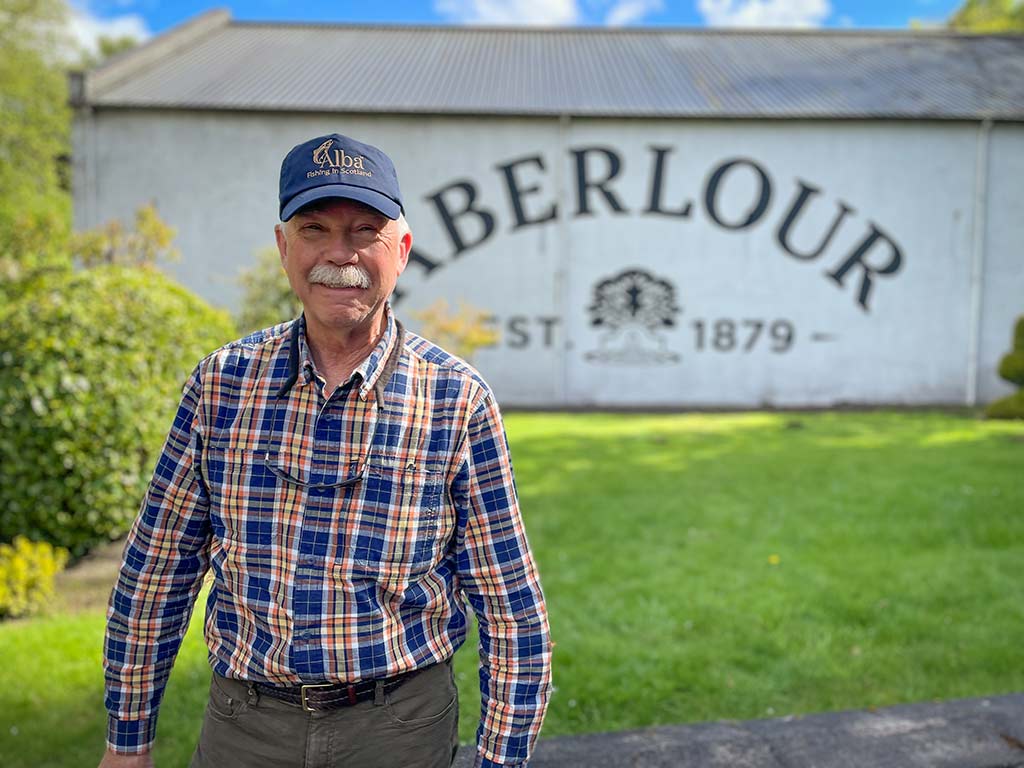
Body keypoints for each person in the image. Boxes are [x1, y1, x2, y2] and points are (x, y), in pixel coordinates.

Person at [98, 133, 552, 768]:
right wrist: (126, 742)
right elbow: (156, 574)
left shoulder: (457, 400)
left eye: (365, 231)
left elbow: (511, 609)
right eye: (315, 229)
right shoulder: (221, 384)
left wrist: (501, 760)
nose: (340, 256)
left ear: (402, 250)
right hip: (243, 729)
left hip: (399, 728)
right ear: (284, 248)